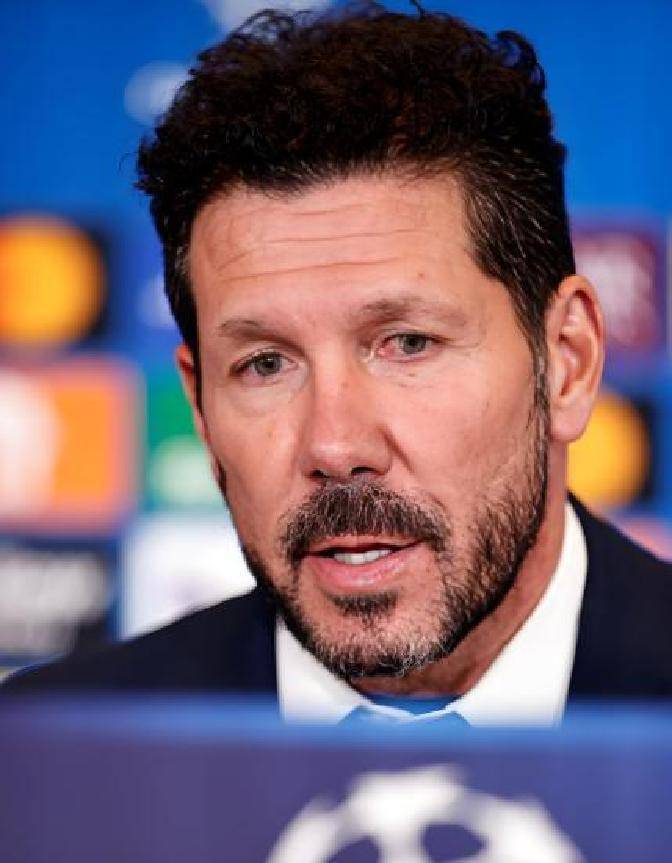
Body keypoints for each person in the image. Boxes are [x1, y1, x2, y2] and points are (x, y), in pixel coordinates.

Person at [5, 3, 672, 723]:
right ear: (199, 407)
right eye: (266, 364)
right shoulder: (46, 752)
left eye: (407, 344)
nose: (334, 445)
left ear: (567, 361)